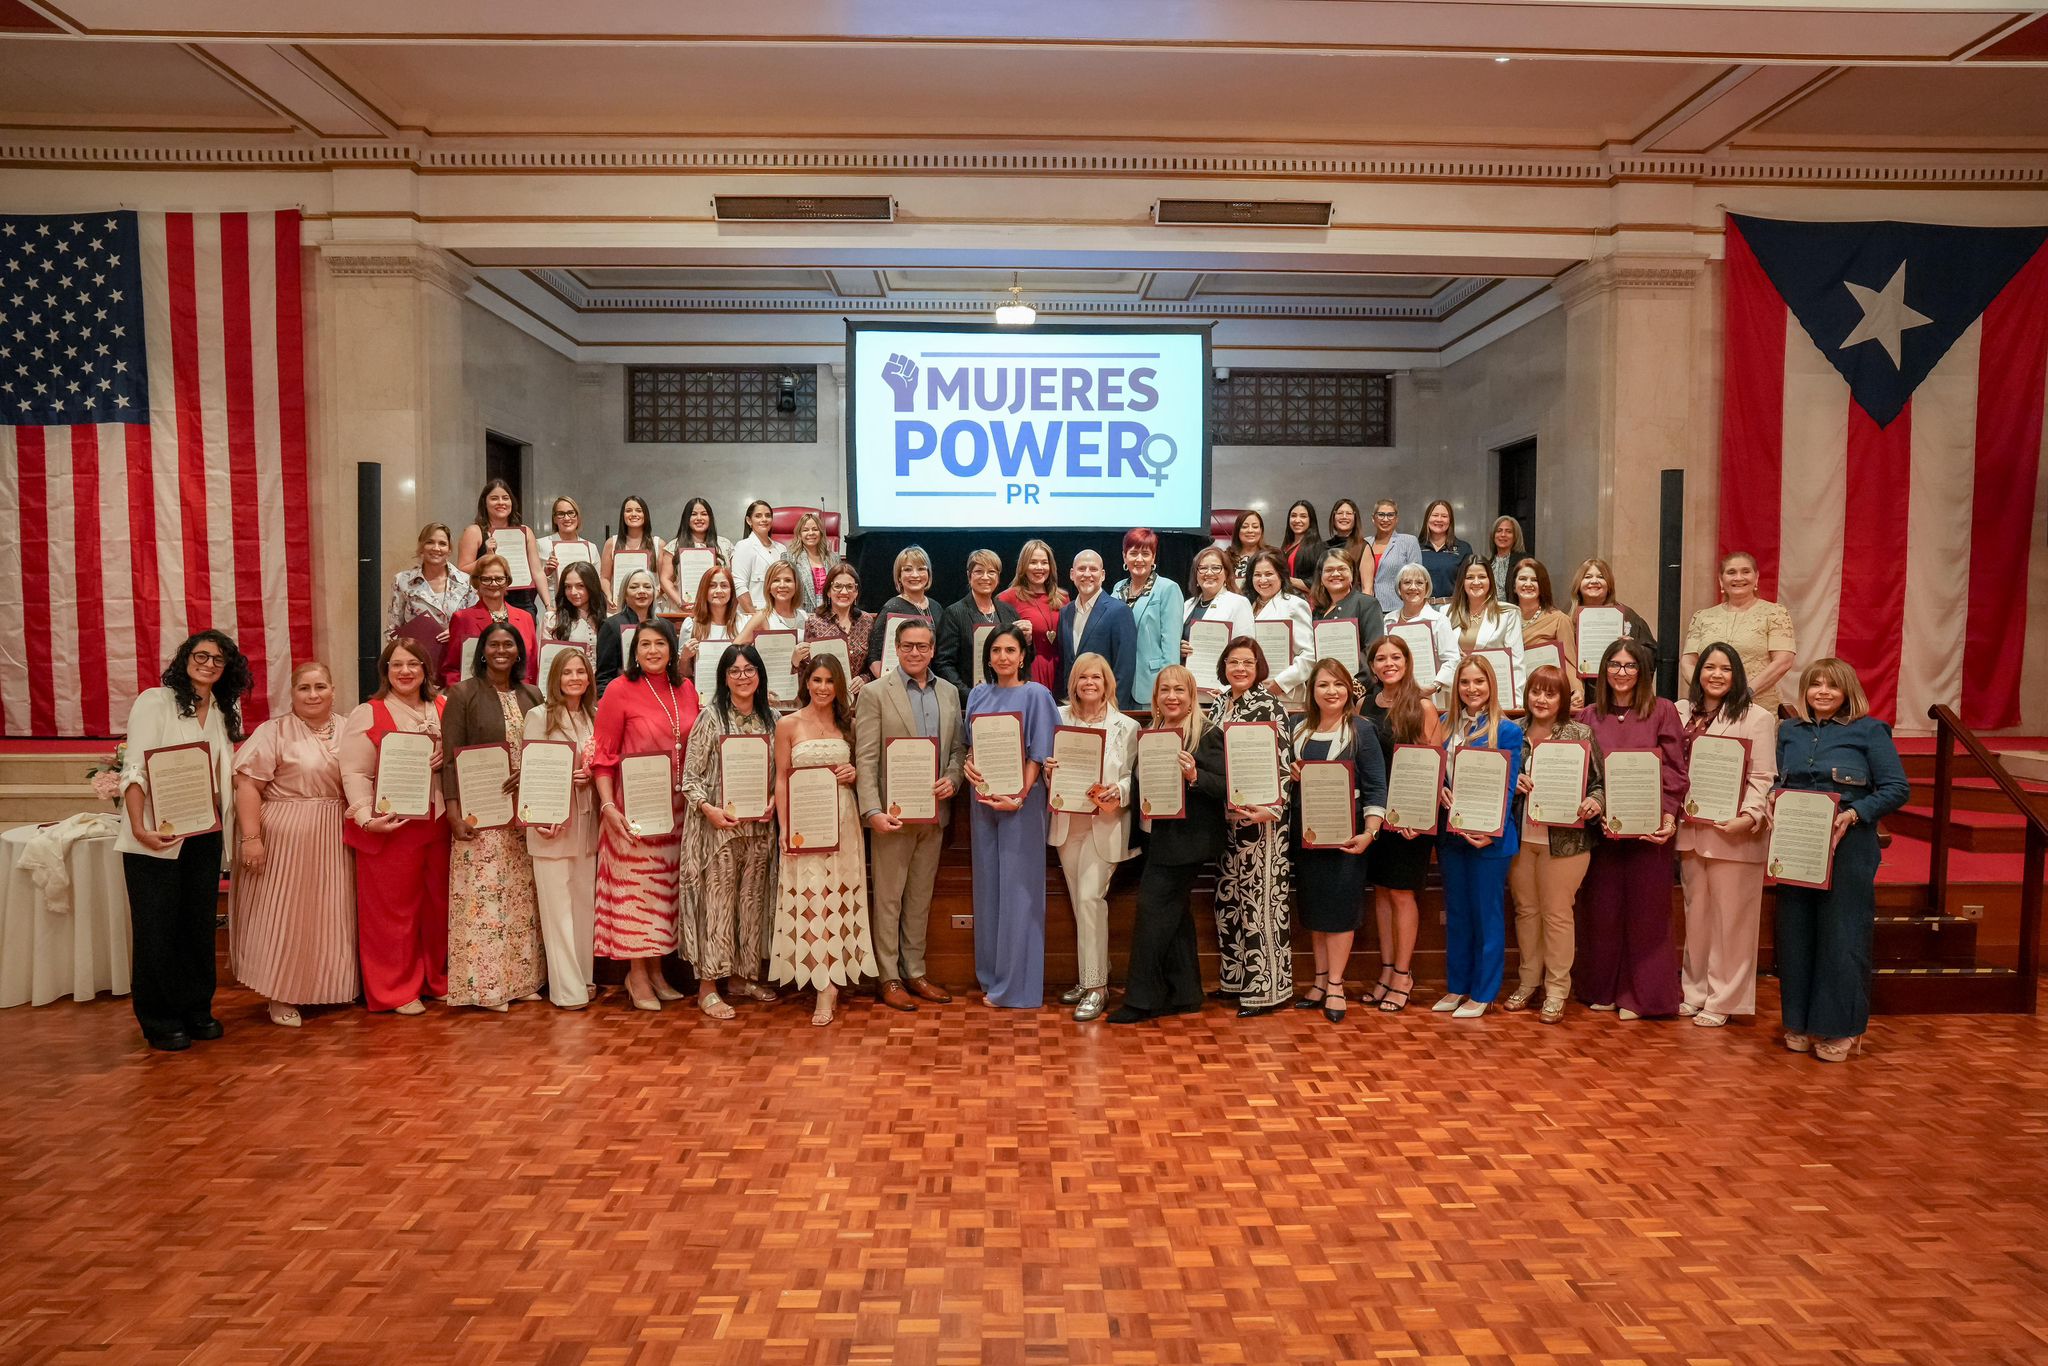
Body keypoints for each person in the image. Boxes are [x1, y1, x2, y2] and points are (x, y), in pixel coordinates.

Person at [1772, 658, 1909, 1062]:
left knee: (1842, 935)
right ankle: (1798, 1020)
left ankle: (1842, 1028)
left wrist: (1856, 813)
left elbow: (1897, 788)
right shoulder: (1789, 731)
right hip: (1798, 843)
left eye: (1833, 686)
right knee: (1794, 934)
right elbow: (1781, 780)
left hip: (1848, 843)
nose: (1823, 693)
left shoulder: (1869, 731)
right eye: (1816, 685)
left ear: (1848, 691)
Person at [118, 631, 246, 1051]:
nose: (208, 664)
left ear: (227, 668)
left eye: (218, 659)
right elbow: (135, 766)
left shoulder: (227, 707)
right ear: (185, 658)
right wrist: (139, 826)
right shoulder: (155, 701)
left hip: (204, 835)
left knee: (196, 925)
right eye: (201, 655)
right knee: (157, 928)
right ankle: (159, 1018)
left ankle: (196, 1009)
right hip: (158, 835)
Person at [230, 661, 356, 1029]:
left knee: (331, 915)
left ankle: (330, 986)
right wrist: (251, 839)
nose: (313, 694)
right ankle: (281, 992)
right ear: (292, 693)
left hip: (336, 833)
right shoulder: (274, 732)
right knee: (284, 914)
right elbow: (247, 785)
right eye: (305, 688)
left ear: (334, 690)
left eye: (320, 687)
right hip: (285, 834)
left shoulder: (350, 728)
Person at [855, 618, 964, 1012]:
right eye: (907, 646)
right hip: (892, 816)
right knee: (888, 900)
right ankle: (889, 977)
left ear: (933, 650)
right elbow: (865, 759)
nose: (915, 652)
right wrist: (872, 811)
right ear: (896, 649)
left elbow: (957, 750)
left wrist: (953, 779)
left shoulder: (950, 693)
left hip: (933, 815)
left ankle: (915, 971)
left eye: (922, 646)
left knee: (919, 899)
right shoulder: (874, 693)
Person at [1110, 665, 1227, 1024]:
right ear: (1156, 697)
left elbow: (1225, 787)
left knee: (1151, 912)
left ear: (1192, 696)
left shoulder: (1206, 734)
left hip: (1186, 843)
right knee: (1174, 917)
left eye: (1179, 690)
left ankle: (1142, 1001)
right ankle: (1186, 994)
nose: (1172, 696)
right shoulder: (1151, 733)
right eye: (1165, 690)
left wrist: (1194, 776)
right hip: (1154, 836)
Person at [1574, 637, 1684, 1019]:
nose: (1622, 673)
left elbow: (1674, 770)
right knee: (1601, 912)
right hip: (1602, 833)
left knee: (1647, 915)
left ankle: (1642, 996)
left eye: (1630, 665)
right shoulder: (1588, 716)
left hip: (1649, 833)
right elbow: (1581, 772)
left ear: (1643, 672)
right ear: (1603, 670)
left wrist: (1669, 816)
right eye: (1615, 665)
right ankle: (1601, 987)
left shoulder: (1662, 711)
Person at [339, 637, 449, 1016]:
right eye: (397, 664)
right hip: (391, 826)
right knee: (392, 913)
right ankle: (394, 989)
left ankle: (435, 979)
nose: (405, 671)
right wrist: (366, 818)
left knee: (437, 908)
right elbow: (354, 771)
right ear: (385, 671)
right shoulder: (368, 712)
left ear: (425, 670)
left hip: (437, 824)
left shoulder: (442, 707)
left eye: (413, 664)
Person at [592, 617, 698, 1011]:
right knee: (636, 894)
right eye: (644, 645)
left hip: (676, 812)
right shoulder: (620, 690)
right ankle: (636, 976)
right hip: (632, 809)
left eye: (659, 644)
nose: (652, 651)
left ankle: (655, 971)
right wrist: (608, 807)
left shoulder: (684, 689)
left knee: (663, 894)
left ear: (672, 649)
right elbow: (603, 757)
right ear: (634, 652)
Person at [441, 621, 545, 1012]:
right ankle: (486, 987)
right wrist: (453, 813)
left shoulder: (532, 694)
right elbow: (451, 758)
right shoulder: (463, 694)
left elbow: (545, 749)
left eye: (509, 644)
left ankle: (521, 981)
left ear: (519, 652)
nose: (502, 650)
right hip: (480, 814)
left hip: (525, 814)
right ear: (482, 651)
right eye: (494, 644)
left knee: (520, 899)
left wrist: (532, 771)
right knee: (484, 900)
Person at [770, 655, 877, 1025]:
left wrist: (855, 773)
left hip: (843, 823)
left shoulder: (849, 723)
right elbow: (782, 778)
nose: (822, 687)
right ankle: (820, 981)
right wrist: (784, 828)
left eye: (830, 681)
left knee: (836, 898)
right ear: (806, 682)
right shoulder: (787, 724)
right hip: (803, 823)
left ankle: (831, 982)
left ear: (839, 686)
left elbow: (867, 766)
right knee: (810, 899)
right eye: (816, 679)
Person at [1676, 643, 1778, 1027]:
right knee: (1697, 915)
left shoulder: (1757, 717)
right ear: (1698, 672)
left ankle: (1724, 998)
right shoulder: (1680, 711)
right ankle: (1695, 991)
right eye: (1709, 667)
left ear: (1737, 675)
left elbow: (1764, 776)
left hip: (1735, 833)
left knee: (1731, 921)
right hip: (1690, 830)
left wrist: (1750, 816)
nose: (1716, 675)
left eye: (1725, 669)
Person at [679, 641, 782, 1019]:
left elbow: (778, 773)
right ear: (724, 678)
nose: (743, 677)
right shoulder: (711, 718)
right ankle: (708, 986)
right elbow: (689, 778)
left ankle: (741, 976)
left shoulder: (770, 718)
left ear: (760, 674)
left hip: (758, 831)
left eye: (749, 670)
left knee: (750, 905)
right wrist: (709, 809)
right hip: (718, 832)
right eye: (735, 671)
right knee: (718, 907)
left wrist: (773, 798)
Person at [1286, 658, 1387, 1024]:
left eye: (1338, 684)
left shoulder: (1361, 729)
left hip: (1347, 839)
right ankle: (1317, 981)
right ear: (1312, 692)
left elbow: (1377, 785)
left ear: (1350, 689)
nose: (1332, 691)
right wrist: (1292, 774)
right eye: (1323, 685)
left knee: (1341, 911)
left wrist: (1370, 832)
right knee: (1315, 910)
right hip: (1308, 835)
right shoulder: (1297, 728)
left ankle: (1336, 985)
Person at [963, 624, 1058, 1008]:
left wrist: (1019, 795)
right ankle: (991, 977)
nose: (1003, 657)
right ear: (988, 657)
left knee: (1020, 892)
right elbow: (971, 746)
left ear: (1023, 656)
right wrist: (969, 765)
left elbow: (1040, 752)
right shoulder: (977, 694)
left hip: (1022, 802)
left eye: (1011, 650)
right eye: (997, 650)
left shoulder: (1037, 695)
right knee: (988, 890)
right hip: (984, 801)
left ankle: (1017, 986)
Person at [1505, 663, 1605, 1023]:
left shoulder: (1579, 733)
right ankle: (1529, 982)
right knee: (1526, 912)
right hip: (1520, 838)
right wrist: (1510, 779)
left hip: (1566, 842)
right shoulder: (1512, 731)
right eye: (1536, 691)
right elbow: (1492, 778)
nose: (1541, 699)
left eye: (1550, 693)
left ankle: (1558, 989)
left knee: (1558, 914)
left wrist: (1595, 803)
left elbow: (1599, 784)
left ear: (1563, 698)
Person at [1045, 652, 1139, 1022]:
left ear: (1107, 683)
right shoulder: (1058, 717)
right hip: (1069, 822)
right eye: (1083, 677)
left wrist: (1119, 790)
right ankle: (1089, 977)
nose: (1089, 683)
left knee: (1089, 898)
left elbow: (1135, 776)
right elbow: (1044, 765)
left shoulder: (1126, 726)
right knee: (1079, 902)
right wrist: (1048, 770)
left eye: (1096, 677)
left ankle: (1097, 987)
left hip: (1106, 823)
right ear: (1073, 682)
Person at [1432, 655, 1524, 1019]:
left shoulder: (1507, 730)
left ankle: (1484, 992)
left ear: (1492, 685)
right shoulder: (1443, 724)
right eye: (1465, 682)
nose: (1472, 689)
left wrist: (1489, 829)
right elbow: (1437, 772)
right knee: (1456, 913)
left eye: (1479, 682)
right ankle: (1458, 986)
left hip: (1491, 839)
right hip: (1452, 835)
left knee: (1486, 914)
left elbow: (1508, 785)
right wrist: (1439, 789)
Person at [1208, 635, 1295, 1016]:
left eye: (1247, 662)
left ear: (1258, 666)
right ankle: (1237, 978)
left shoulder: (1269, 704)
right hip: (1226, 819)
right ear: (1223, 667)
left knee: (1261, 903)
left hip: (1261, 821)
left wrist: (1271, 809)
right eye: (1233, 662)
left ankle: (1269, 987)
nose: (1239, 668)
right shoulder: (1217, 704)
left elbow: (1284, 762)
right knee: (1229, 899)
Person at [1360, 635, 1443, 1013]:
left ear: (1407, 661)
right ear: (1373, 665)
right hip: (1377, 811)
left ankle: (1404, 974)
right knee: (1381, 891)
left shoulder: (1423, 706)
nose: (1388, 663)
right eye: (1380, 658)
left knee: (1402, 893)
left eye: (1395, 657)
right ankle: (1387, 969)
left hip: (1410, 817)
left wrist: (1418, 814)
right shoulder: (1364, 704)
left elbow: (1432, 767)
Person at [522, 647, 600, 1010]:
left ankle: (584, 977)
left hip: (586, 822)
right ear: (556, 678)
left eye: (580, 672)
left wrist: (590, 773)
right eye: (567, 672)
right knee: (557, 909)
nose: (574, 679)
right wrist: (538, 816)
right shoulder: (539, 716)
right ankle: (567, 989)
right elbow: (532, 769)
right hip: (551, 822)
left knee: (583, 905)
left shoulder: (594, 716)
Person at [1680, 551, 1798, 715]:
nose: (1738, 578)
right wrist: (1708, 691)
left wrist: (1746, 693)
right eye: (1731, 572)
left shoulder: (1775, 613)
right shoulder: (1702, 617)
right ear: (1721, 580)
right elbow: (1688, 662)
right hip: (1709, 707)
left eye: (1745, 571)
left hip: (1757, 707)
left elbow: (1783, 661)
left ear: (1756, 577)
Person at [1056, 549, 1138, 708]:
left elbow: (1124, 668)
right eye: (1081, 569)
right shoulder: (1065, 612)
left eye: (1093, 569)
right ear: (1072, 574)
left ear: (1103, 575)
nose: (1087, 574)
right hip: (1073, 707)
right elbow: (1066, 664)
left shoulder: (1119, 611)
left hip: (1105, 708)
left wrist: (1113, 709)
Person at [1112, 529, 1185, 707]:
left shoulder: (1168, 589)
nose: (1139, 559)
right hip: (1118, 683)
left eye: (1145, 554)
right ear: (1124, 556)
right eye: (1133, 553)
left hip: (1151, 683)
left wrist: (1168, 687)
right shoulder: (1118, 588)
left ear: (1153, 558)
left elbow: (1171, 643)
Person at [1439, 557, 1525, 706]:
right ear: (1462, 582)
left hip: (1494, 693)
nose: (1476, 582)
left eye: (1482, 577)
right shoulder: (1446, 613)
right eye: (1470, 577)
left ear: (1490, 580)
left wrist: (1516, 703)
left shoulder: (1508, 613)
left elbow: (1516, 663)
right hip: (1455, 694)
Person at [445, 553, 539, 687]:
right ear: (477, 582)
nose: (493, 584)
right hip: (478, 697)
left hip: (521, 695)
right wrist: (462, 697)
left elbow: (533, 666)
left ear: (507, 581)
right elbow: (452, 668)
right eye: (486, 579)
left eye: (499, 579)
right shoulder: (462, 619)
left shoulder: (525, 618)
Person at [456, 478, 545, 618]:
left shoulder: (525, 531)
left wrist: (549, 606)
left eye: (505, 498)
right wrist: (487, 558)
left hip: (521, 601)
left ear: (512, 502)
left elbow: (537, 572)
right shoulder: (474, 531)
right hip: (485, 599)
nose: (501, 503)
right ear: (485, 502)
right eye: (494, 498)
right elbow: (461, 569)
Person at [937, 549, 1021, 695]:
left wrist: (1027, 640)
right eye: (979, 571)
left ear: (998, 576)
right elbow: (944, 663)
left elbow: (1022, 657)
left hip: (1009, 695)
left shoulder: (1009, 612)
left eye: (991, 572)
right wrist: (969, 694)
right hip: (971, 700)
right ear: (969, 576)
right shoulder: (954, 613)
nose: (985, 577)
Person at [387, 521, 475, 651]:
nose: (436, 548)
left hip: (456, 658)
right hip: (417, 660)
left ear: (449, 550)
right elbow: (393, 630)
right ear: (421, 546)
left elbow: (474, 624)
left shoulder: (466, 581)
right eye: (430, 542)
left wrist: (457, 633)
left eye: (442, 544)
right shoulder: (402, 581)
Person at [1244, 549, 1315, 707]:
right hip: (1249, 692)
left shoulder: (1294, 605)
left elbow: (1309, 655)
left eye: (1269, 574)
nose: (1263, 580)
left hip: (1284, 696)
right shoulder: (1246, 606)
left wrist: (1280, 683)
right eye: (1257, 575)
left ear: (1281, 575)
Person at [1308, 550, 1387, 687]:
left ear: (1352, 573)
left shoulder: (1367, 604)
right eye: (1329, 570)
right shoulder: (1317, 612)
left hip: (1359, 690)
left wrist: (1354, 687)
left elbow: (1373, 650)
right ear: (1320, 576)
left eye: (1342, 569)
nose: (1336, 574)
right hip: (1326, 689)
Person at [1512, 559, 1583, 709]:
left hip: (1546, 697)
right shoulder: (1503, 619)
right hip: (1514, 699)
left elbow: (1569, 661)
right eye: (1523, 579)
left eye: (1534, 580)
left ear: (1542, 586)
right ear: (1514, 585)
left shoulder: (1559, 619)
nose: (1528, 584)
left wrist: (1577, 690)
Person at [802, 562, 878, 700]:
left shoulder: (867, 621)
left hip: (860, 699)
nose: (844, 592)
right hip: (824, 697)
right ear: (828, 591)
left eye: (850, 587)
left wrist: (864, 679)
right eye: (837, 586)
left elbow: (873, 663)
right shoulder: (813, 621)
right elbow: (808, 667)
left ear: (856, 592)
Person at [998, 539, 1065, 691]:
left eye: (1044, 562)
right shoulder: (1007, 598)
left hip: (1061, 673)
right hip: (1028, 673)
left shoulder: (1063, 598)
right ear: (1023, 566)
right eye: (1033, 562)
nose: (1039, 567)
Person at [867, 544, 941, 680]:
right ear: (899, 577)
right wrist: (892, 685)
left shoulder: (936, 607)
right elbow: (874, 657)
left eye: (921, 569)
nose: (915, 575)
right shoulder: (892, 607)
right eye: (907, 569)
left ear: (928, 574)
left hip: (931, 683)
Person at [1386, 563, 1457, 700]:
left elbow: (1452, 660)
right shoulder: (1388, 620)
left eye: (1419, 582)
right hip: (1396, 695)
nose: (1413, 587)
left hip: (1431, 696)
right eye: (1407, 582)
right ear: (1399, 588)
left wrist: (1435, 685)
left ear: (1427, 587)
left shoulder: (1439, 620)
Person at [1181, 546, 1256, 673]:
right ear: (1196, 574)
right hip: (1187, 678)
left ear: (1226, 574)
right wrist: (1180, 648)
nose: (1209, 573)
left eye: (1216, 568)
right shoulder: (1187, 605)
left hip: (1220, 681)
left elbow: (1246, 649)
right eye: (1203, 568)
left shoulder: (1238, 603)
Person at [1570, 558, 1658, 662]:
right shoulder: (1569, 619)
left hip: (1619, 676)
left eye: (1601, 577)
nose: (1594, 581)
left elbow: (1652, 652)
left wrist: (1634, 648)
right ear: (1578, 584)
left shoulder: (1627, 616)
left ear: (1609, 584)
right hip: (1580, 677)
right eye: (1587, 577)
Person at [596, 568, 663, 696]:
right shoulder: (611, 626)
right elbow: (604, 677)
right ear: (625, 594)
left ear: (654, 593)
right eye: (634, 587)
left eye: (647, 587)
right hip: (624, 697)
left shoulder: (665, 627)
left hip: (659, 696)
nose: (642, 591)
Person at [662, 495, 733, 612]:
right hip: (682, 612)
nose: (699, 518)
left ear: (710, 518)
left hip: (718, 610)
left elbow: (732, 578)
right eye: (694, 514)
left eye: (704, 514)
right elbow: (665, 579)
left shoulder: (725, 545)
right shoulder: (673, 546)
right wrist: (681, 603)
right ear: (686, 519)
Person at [678, 564, 741, 693]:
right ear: (704, 591)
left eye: (724, 585)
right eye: (712, 586)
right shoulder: (691, 624)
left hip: (737, 694)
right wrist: (684, 658)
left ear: (732, 591)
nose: (718, 591)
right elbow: (684, 675)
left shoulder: (743, 623)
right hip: (702, 696)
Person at [536, 495, 600, 614]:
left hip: (584, 610)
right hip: (552, 607)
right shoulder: (541, 545)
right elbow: (533, 582)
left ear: (578, 516)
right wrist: (547, 572)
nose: (566, 518)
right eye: (561, 514)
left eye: (571, 513)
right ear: (554, 519)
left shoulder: (591, 548)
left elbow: (597, 583)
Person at [1362, 499, 1425, 613]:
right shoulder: (1364, 543)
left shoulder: (1408, 541)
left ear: (1397, 519)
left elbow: (1416, 578)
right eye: (1381, 514)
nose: (1385, 519)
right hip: (1368, 609)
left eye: (1390, 515)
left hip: (1398, 608)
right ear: (1373, 518)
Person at [601, 495, 665, 606]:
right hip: (619, 606)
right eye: (628, 511)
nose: (634, 514)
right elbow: (604, 577)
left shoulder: (658, 544)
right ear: (623, 515)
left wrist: (651, 596)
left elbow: (665, 581)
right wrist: (609, 595)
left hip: (651, 607)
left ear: (645, 515)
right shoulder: (612, 543)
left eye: (639, 511)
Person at [780, 509, 840, 615]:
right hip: (801, 615)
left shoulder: (833, 558)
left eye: (815, 529)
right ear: (799, 534)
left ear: (821, 533)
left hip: (830, 616)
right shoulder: (789, 558)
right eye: (806, 530)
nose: (811, 533)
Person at [728, 498, 782, 614]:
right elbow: (739, 586)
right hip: (754, 614)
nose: (764, 519)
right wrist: (754, 617)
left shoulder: (781, 549)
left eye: (768, 516)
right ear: (749, 520)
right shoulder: (743, 547)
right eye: (758, 516)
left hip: (779, 613)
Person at [546, 560, 608, 656]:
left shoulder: (610, 619)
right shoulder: (552, 620)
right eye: (568, 586)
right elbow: (547, 660)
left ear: (592, 586)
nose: (573, 592)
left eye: (580, 586)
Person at [1416, 499, 1473, 603]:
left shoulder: (1463, 548)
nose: (1439, 519)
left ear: (1450, 521)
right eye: (1435, 515)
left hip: (1452, 608)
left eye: (1444, 516)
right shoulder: (1415, 546)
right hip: (1420, 608)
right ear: (1427, 519)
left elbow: (1468, 582)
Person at [1279, 499, 1324, 594]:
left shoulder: (1318, 547)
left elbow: (1318, 583)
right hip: (1286, 598)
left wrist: (1285, 579)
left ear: (1310, 520)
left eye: (1303, 516)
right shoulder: (1286, 546)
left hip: (1306, 602)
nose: (1297, 520)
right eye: (1293, 516)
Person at [1486, 516, 1532, 606]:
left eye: (1508, 531)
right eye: (1499, 531)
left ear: (1515, 537)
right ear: (1493, 535)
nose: (1503, 535)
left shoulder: (1524, 562)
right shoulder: (1487, 563)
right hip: (1491, 612)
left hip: (1517, 613)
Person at [1226, 509, 1274, 593]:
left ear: (1261, 530)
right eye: (1244, 527)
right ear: (1238, 530)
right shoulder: (1226, 556)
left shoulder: (1272, 554)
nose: (1250, 530)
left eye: (1255, 527)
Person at [1323, 498, 1367, 582]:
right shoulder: (1323, 546)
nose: (1344, 517)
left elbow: (1367, 588)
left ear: (1355, 518)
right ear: (1333, 517)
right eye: (1340, 513)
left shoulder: (1362, 547)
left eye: (1349, 514)